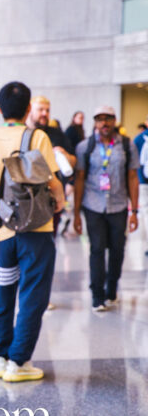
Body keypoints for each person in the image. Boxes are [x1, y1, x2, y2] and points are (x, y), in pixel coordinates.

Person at [0, 81, 65, 382]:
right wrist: (60, 202)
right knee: (33, 294)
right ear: (27, 110)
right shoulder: (37, 137)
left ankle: (0, 357)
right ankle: (19, 362)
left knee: (3, 293)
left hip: (1, 233)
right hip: (35, 230)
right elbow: (53, 183)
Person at [73, 106, 140, 312]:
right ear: (94, 122)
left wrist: (134, 211)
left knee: (118, 250)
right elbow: (80, 179)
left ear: (115, 120)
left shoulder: (127, 145)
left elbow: (132, 178)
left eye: (108, 119)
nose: (104, 123)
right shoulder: (86, 146)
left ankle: (111, 288)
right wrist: (75, 213)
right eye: (100, 119)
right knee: (97, 250)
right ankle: (97, 295)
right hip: (93, 205)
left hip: (119, 206)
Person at [27, 96, 77, 236]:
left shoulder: (57, 134)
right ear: (30, 110)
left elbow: (74, 160)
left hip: (51, 198)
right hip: (25, 197)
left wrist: (65, 155)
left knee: (48, 242)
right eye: (40, 109)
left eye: (47, 110)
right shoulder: (22, 133)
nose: (45, 113)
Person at [134, 115, 148, 256]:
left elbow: (134, 162)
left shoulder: (139, 139)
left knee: (146, 213)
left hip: (143, 181)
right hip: (143, 182)